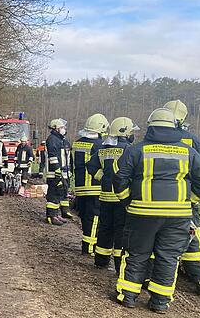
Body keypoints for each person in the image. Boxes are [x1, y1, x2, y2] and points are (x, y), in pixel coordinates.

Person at [114, 108, 200, 313]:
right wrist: (190, 202)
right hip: (178, 215)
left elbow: (120, 178)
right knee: (168, 258)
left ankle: (128, 296)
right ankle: (160, 302)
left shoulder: (136, 150)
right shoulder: (188, 151)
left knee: (136, 254)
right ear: (174, 126)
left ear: (150, 126)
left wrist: (127, 202)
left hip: (142, 213)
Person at [163, 99, 200, 293]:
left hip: (152, 200)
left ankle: (150, 275)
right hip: (185, 200)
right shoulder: (193, 141)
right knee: (192, 237)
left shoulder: (150, 140)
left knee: (155, 236)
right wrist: (193, 198)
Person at [86, 117, 138, 271]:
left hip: (105, 197)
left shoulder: (103, 149)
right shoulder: (129, 149)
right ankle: (118, 264)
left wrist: (103, 178)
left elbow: (91, 166)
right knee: (121, 231)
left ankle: (101, 260)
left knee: (105, 229)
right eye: (131, 131)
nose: (133, 134)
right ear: (125, 133)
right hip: (122, 198)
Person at [73, 113, 109, 255]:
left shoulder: (77, 143)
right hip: (94, 187)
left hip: (80, 186)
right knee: (94, 218)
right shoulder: (99, 145)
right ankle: (88, 248)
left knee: (85, 217)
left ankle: (86, 245)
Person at [44, 119, 73, 225]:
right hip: (54, 174)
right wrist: (57, 171)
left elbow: (68, 158)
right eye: (62, 127)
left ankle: (57, 214)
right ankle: (51, 217)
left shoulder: (63, 140)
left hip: (64, 173)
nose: (64, 129)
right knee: (54, 195)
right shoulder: (52, 140)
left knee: (61, 193)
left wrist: (70, 171)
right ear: (56, 128)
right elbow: (53, 158)